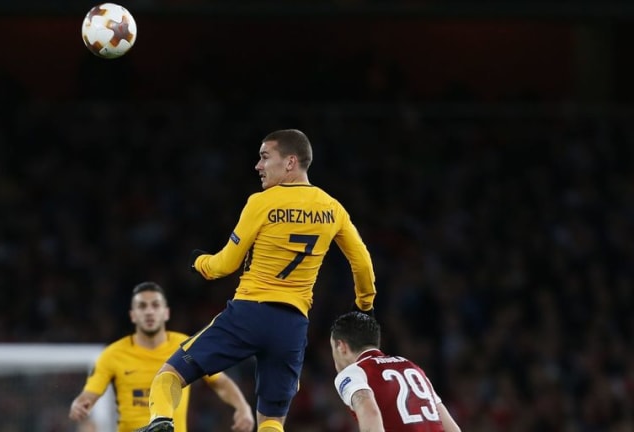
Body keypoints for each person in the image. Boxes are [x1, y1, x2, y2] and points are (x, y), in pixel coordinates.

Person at [136, 129, 377, 432]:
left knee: (170, 374)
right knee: (272, 420)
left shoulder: (261, 202)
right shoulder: (333, 209)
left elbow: (225, 265)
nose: (258, 165)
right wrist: (364, 305)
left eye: (264, 157)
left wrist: (199, 263)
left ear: (290, 162)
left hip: (249, 313)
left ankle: (161, 421)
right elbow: (362, 262)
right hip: (291, 327)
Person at [69, 281, 254, 432]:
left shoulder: (185, 347)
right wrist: (80, 404)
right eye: (142, 306)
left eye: (155, 305)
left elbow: (220, 382)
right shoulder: (113, 354)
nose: (149, 311)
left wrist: (242, 407)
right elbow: (90, 394)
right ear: (133, 315)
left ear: (166, 313)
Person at [330, 312, 462, 432]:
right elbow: (452, 428)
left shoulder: (353, 372)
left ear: (341, 346)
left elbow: (370, 414)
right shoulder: (412, 367)